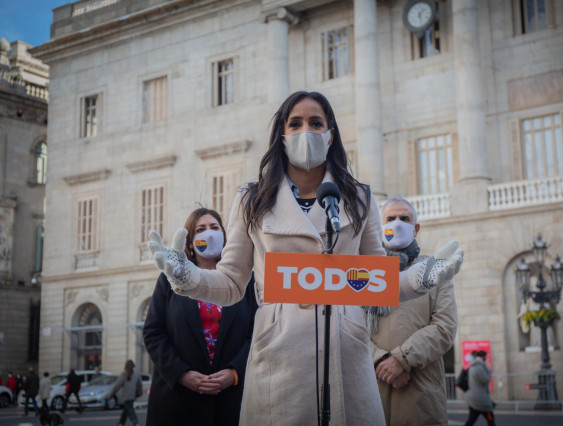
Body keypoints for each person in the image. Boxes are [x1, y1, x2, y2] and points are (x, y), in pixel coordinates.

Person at [148, 91, 464, 425]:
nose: (306, 132)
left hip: (345, 347)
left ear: (330, 135)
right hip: (279, 351)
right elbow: (230, 283)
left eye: (316, 123)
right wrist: (187, 277)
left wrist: (421, 278)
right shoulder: (251, 199)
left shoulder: (359, 197)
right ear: (282, 135)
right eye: (295, 123)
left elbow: (377, 282)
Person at [143, 207, 258, 426]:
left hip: (232, 400)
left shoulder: (247, 281)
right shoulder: (170, 277)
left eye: (215, 227)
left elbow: (256, 332)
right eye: (201, 229)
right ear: (189, 242)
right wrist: (181, 373)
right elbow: (153, 332)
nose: (209, 233)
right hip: (178, 401)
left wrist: (235, 372)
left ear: (225, 236)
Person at [368, 197, 458, 426]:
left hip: (421, 394)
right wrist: (380, 360)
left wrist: (402, 359)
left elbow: (445, 327)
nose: (397, 224)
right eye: (390, 219)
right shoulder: (363, 272)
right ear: (379, 227)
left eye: (404, 218)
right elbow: (349, 327)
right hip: (370, 393)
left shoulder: (435, 270)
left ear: (415, 228)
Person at [104, 360, 142, 426]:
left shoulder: (124, 374)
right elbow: (139, 385)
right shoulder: (136, 374)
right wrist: (139, 393)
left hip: (126, 396)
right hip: (133, 396)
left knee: (130, 410)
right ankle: (121, 423)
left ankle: (136, 423)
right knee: (126, 410)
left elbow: (117, 386)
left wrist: (110, 395)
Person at [464, 350, 496, 426]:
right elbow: (485, 379)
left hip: (474, 399)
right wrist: (488, 369)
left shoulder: (473, 365)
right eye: (486, 357)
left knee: (471, 420)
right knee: (491, 420)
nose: (487, 359)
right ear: (483, 357)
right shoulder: (479, 367)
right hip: (482, 400)